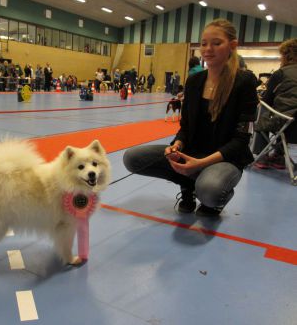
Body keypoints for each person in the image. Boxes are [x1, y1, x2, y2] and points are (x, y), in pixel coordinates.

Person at [123, 19, 258, 217]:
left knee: (210, 191)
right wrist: (176, 145)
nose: (208, 49)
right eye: (203, 43)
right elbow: (185, 127)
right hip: (193, 152)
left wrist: (201, 164)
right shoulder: (194, 81)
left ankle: (212, 199)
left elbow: (241, 140)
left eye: (216, 43)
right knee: (133, 158)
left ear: (232, 45)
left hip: (226, 159)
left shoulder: (245, 82)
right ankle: (187, 185)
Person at [253, 38, 297, 169]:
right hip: (293, 125)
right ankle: (279, 155)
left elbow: (267, 100)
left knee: (263, 111)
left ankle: (261, 155)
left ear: (286, 55)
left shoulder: (281, 73)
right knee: (286, 114)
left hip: (287, 124)